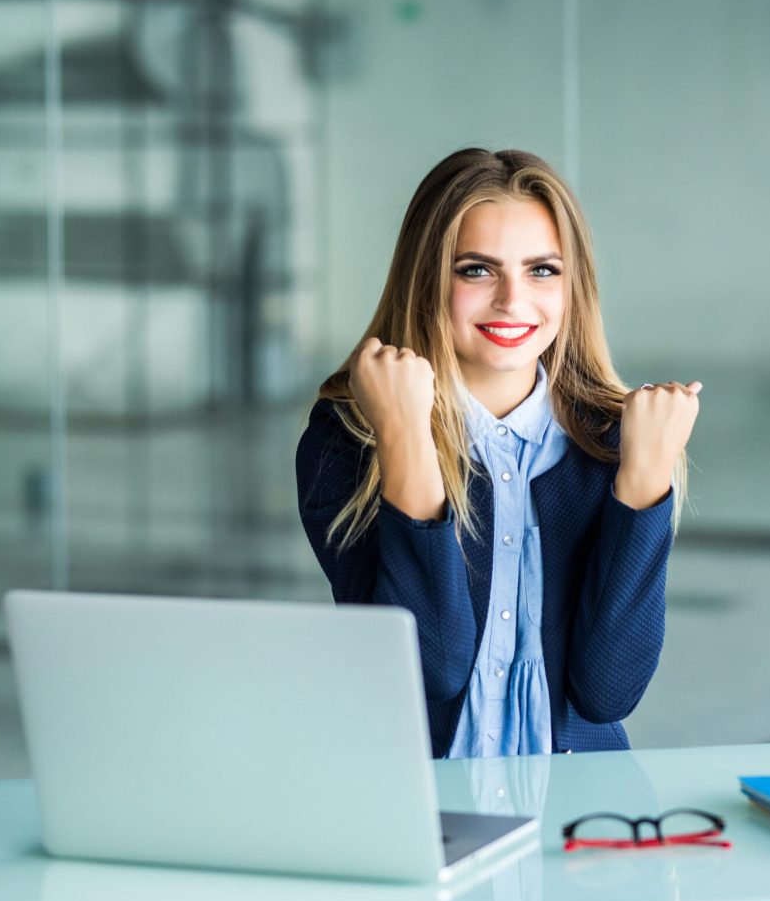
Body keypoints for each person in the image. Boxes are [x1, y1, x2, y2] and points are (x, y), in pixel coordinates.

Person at [295, 148, 700, 757]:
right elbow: (432, 669)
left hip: (579, 813)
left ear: (572, 286)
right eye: (477, 270)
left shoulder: (614, 440)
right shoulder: (349, 440)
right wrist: (406, 435)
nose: (513, 300)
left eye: (542, 271)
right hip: (418, 807)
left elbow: (607, 691)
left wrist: (643, 480)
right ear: (427, 278)